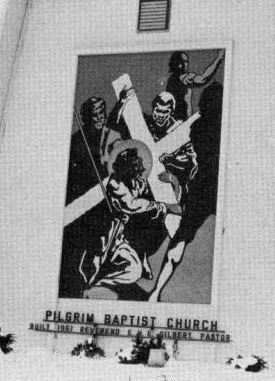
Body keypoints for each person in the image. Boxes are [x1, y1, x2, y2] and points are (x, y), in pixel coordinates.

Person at [148, 82, 223, 302]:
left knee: (180, 239)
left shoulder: (200, 127)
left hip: (207, 186)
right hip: (203, 188)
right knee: (179, 239)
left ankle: (156, 292)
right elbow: (193, 161)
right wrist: (170, 163)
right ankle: (156, 292)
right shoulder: (198, 127)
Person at [81, 142, 174, 299]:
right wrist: (161, 206)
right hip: (107, 232)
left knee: (134, 269)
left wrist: (161, 206)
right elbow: (131, 205)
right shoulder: (114, 183)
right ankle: (87, 287)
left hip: (124, 236)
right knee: (94, 264)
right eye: (134, 164)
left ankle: (100, 284)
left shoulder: (139, 182)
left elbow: (147, 200)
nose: (139, 168)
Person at [65, 96, 121, 204]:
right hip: (87, 192)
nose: (100, 117)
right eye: (95, 115)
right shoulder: (77, 140)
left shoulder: (109, 132)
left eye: (102, 112)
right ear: (88, 118)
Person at [166, 50, 224, 121]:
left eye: (186, 61)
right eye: (183, 61)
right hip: (180, 121)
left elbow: (203, 78)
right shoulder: (180, 78)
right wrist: (218, 59)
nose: (185, 64)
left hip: (179, 121)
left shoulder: (174, 79)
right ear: (177, 63)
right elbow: (204, 78)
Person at [109, 88, 182, 142]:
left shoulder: (177, 128)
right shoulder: (143, 121)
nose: (161, 115)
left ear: (172, 113)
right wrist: (121, 103)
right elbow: (112, 126)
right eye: (158, 110)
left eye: (165, 112)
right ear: (153, 109)